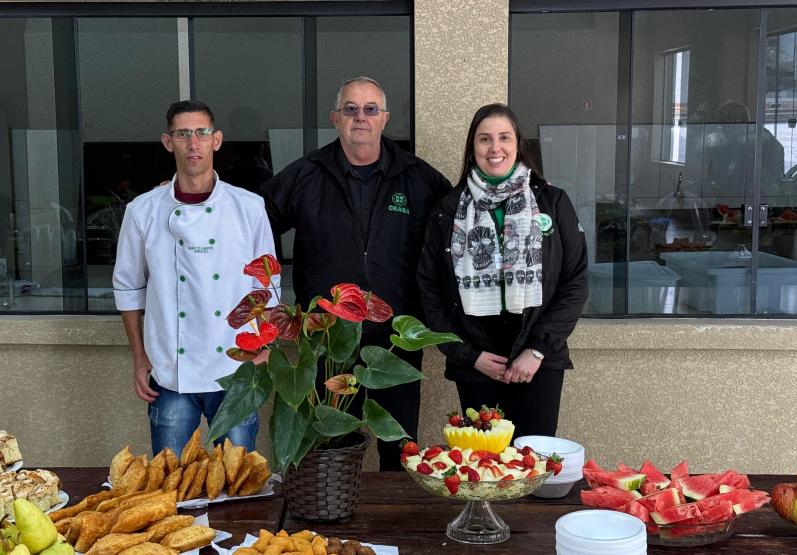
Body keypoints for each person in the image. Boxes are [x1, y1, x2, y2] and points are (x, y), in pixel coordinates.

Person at [260, 76, 450, 470]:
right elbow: (250, 223)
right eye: (350, 109)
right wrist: (200, 200)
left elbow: (460, 226)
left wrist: (528, 189)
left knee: (399, 450)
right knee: (326, 449)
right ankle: (326, 522)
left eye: (369, 110)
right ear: (335, 118)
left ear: (385, 119)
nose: (360, 117)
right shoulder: (305, 175)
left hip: (395, 341)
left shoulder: (419, 179)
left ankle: (395, 529)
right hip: (327, 339)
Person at [113, 100, 275, 456]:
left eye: (202, 133)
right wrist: (140, 358)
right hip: (171, 372)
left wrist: (263, 348)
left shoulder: (248, 207)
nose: (193, 143)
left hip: (235, 368)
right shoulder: (143, 210)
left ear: (216, 140)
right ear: (168, 142)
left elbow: (264, 284)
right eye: (183, 134)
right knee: (171, 485)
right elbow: (128, 289)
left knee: (237, 482)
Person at [417, 103, 588, 438]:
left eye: (504, 138)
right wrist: (469, 356)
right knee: (483, 469)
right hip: (477, 366)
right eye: (484, 139)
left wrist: (537, 349)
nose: (495, 148)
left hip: (539, 360)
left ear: (517, 145)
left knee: (534, 463)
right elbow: (430, 291)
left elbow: (575, 282)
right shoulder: (447, 211)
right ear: (472, 149)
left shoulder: (553, 201)